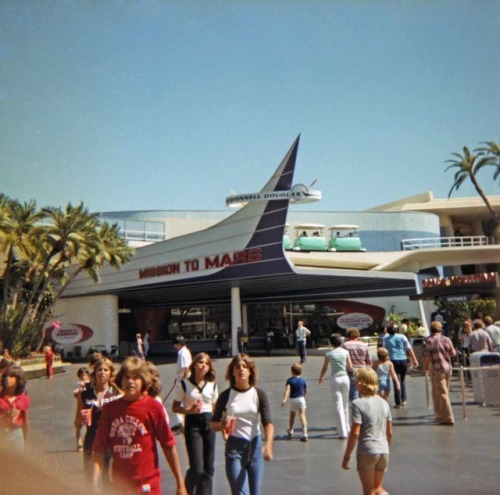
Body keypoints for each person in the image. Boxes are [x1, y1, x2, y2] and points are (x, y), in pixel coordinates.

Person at [92, 356, 187, 495]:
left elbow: (168, 445)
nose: (130, 381)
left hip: (148, 487)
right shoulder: (110, 409)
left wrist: (180, 483)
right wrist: (94, 484)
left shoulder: (153, 407)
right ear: (121, 381)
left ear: (144, 381)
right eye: (127, 377)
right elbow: (99, 449)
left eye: (136, 377)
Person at [210, 354, 274, 495]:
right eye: (237, 367)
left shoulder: (258, 394)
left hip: (255, 447)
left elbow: (268, 422)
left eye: (245, 367)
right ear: (232, 372)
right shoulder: (226, 396)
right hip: (235, 449)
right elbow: (213, 424)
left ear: (250, 371)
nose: (241, 370)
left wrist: (268, 445)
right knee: (241, 493)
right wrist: (221, 425)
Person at [172, 352, 219, 495]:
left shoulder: (212, 385)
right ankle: (185, 491)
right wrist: (189, 410)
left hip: (208, 422)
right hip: (193, 424)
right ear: (194, 365)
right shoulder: (185, 384)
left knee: (208, 468)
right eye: (200, 362)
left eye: (206, 363)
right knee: (197, 468)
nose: (203, 366)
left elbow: (215, 406)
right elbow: (175, 407)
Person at [341, 368, 393, 495]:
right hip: (383, 450)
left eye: (357, 380)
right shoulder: (384, 403)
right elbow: (390, 432)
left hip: (367, 451)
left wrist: (347, 456)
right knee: (378, 489)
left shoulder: (358, 404)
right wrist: (384, 446)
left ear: (361, 384)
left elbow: (355, 432)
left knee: (369, 491)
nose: (355, 383)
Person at [77, 357, 122, 481]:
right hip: (92, 438)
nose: (102, 372)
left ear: (110, 373)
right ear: (94, 373)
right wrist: (81, 417)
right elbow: (76, 422)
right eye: (99, 370)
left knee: (109, 478)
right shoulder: (86, 394)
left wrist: (115, 385)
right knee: (90, 477)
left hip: (111, 439)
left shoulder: (115, 392)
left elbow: (126, 403)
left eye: (106, 370)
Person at [318, 334, 353, 439]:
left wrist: (321, 377)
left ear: (331, 343)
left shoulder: (329, 353)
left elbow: (325, 367)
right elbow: (350, 367)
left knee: (338, 404)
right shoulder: (346, 352)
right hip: (345, 378)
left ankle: (342, 432)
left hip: (335, 379)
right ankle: (348, 427)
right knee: (346, 404)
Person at [422, 320, 456, 425]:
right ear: (440, 329)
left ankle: (448, 417)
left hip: (437, 368)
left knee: (441, 393)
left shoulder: (429, 340)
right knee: (445, 392)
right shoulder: (447, 339)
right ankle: (441, 415)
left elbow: (427, 356)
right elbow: (453, 353)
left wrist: (425, 366)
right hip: (447, 368)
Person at [382, 322, 418, 408]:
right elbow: (409, 349)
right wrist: (414, 359)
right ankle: (403, 399)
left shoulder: (385, 339)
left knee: (395, 381)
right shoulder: (403, 337)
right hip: (403, 360)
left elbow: (384, 351)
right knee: (402, 379)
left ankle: (397, 402)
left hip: (392, 361)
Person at [0, 364, 31, 452]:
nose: (7, 378)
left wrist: (25, 439)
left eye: (11, 376)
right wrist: (4, 416)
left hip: (16, 434)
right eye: (6, 376)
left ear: (18, 379)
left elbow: (25, 421)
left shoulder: (23, 399)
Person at [342, 327, 372, 401]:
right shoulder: (364, 345)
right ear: (358, 335)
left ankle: (355, 408)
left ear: (348, 335)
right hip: (363, 370)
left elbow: (343, 359)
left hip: (352, 371)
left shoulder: (345, 345)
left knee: (354, 391)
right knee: (363, 390)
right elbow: (369, 361)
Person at [171, 335, 193, 434]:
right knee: (184, 401)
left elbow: (186, 367)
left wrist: (183, 380)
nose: (175, 346)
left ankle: (181, 423)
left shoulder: (182, 353)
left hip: (182, 379)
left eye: (175, 344)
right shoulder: (186, 351)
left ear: (179, 344)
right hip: (182, 378)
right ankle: (182, 422)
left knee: (178, 400)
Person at [281, 362, 308, 441]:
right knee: (302, 415)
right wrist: (303, 395)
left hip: (293, 399)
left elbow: (287, 390)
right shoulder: (303, 381)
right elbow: (305, 390)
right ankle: (305, 433)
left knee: (292, 415)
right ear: (301, 372)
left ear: (292, 372)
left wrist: (285, 399)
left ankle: (290, 429)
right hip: (301, 399)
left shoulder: (290, 381)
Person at [73, 367, 91, 452]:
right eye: (81, 375)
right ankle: (79, 442)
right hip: (81, 407)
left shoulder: (90, 384)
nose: (83, 376)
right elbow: (76, 395)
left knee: (89, 425)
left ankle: (88, 442)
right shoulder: (78, 384)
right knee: (78, 426)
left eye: (84, 374)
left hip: (88, 407)